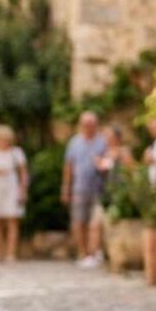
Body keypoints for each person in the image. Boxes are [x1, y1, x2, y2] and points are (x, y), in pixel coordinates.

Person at [63, 111, 107, 269]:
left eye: (92, 125)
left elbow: (108, 162)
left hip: (99, 187)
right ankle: (83, 253)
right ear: (81, 126)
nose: (89, 128)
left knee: (95, 222)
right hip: (79, 187)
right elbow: (69, 166)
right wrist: (66, 188)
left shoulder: (103, 142)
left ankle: (95, 252)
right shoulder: (74, 142)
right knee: (79, 221)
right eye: (86, 125)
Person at [0, 125, 29, 263]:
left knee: (12, 221)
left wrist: (23, 190)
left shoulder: (16, 152)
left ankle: (11, 253)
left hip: (12, 188)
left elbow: (23, 173)